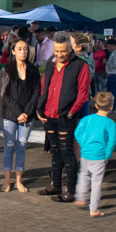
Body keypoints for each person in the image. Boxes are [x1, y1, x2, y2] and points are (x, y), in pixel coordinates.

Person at [36, 31, 91, 202]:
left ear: (70, 48)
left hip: (66, 117)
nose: (59, 54)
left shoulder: (81, 66)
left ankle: (71, 191)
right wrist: (40, 108)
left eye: (63, 51)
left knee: (67, 153)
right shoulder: (51, 64)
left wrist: (71, 112)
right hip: (49, 115)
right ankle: (56, 185)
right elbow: (44, 86)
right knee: (55, 151)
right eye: (57, 51)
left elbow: (83, 93)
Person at [0, 37, 41, 193]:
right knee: (9, 146)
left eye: (25, 49)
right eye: (19, 49)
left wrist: (27, 112)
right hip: (10, 114)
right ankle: (7, 181)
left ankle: (18, 181)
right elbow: (5, 94)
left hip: (27, 115)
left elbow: (37, 93)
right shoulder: (6, 69)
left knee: (21, 146)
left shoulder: (34, 70)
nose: (23, 52)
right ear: (13, 51)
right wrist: (18, 113)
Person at [74, 92, 116, 217]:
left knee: (83, 175)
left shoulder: (87, 119)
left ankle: (80, 197)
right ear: (111, 107)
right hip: (99, 156)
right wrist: (108, 155)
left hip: (85, 154)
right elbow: (112, 140)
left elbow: (77, 133)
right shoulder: (110, 123)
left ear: (96, 105)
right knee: (96, 182)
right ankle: (93, 209)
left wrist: (84, 144)